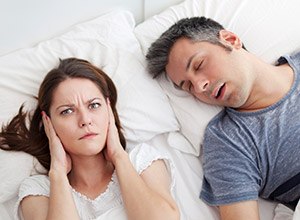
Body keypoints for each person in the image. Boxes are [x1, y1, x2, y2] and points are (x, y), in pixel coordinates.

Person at [146, 16, 300, 220]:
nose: (200, 86)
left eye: (199, 65)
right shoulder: (228, 142)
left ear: (230, 39)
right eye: (188, 86)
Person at [0, 58, 179, 220]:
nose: (85, 120)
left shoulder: (142, 161)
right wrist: (59, 174)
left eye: (94, 105)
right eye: (67, 111)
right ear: (49, 124)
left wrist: (118, 155)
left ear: (109, 111)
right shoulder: (39, 190)